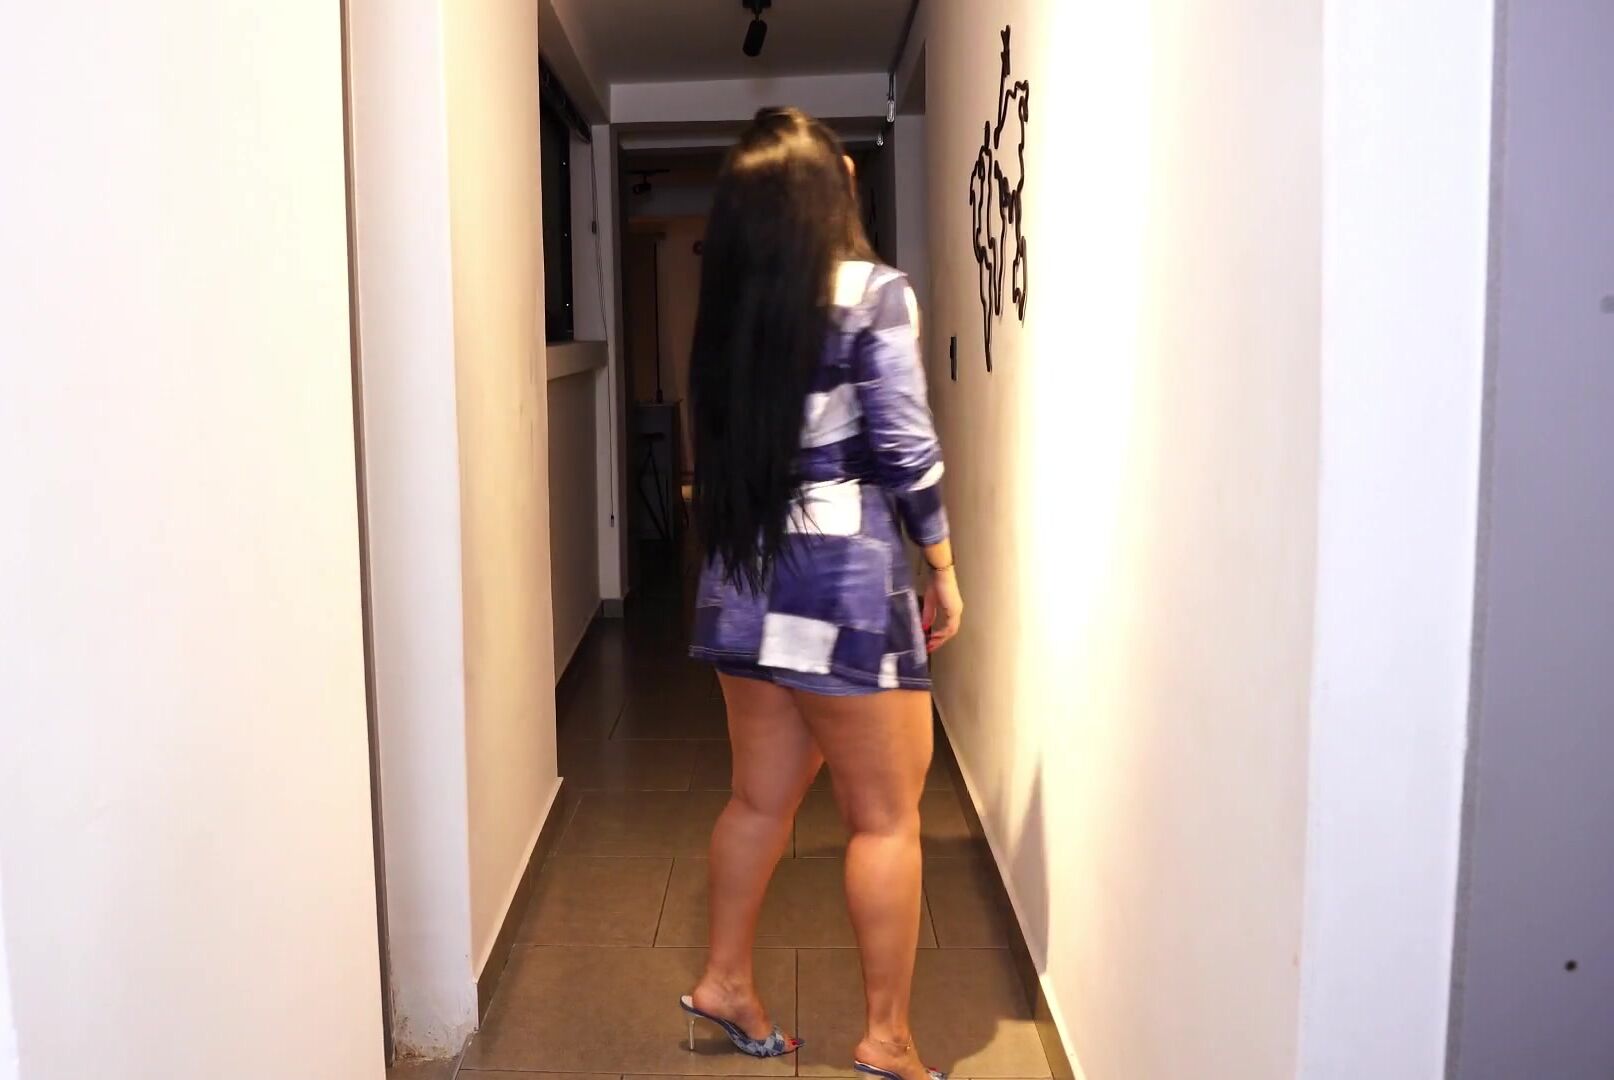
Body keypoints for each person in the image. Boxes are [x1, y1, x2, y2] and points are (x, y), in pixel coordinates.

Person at [677, 107, 963, 1080]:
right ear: (828, 188)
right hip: (841, 593)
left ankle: (725, 979)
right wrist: (942, 565)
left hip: (746, 585)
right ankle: (887, 1039)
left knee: (757, 802)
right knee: (884, 817)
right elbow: (906, 449)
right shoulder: (872, 294)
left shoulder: (731, 310)